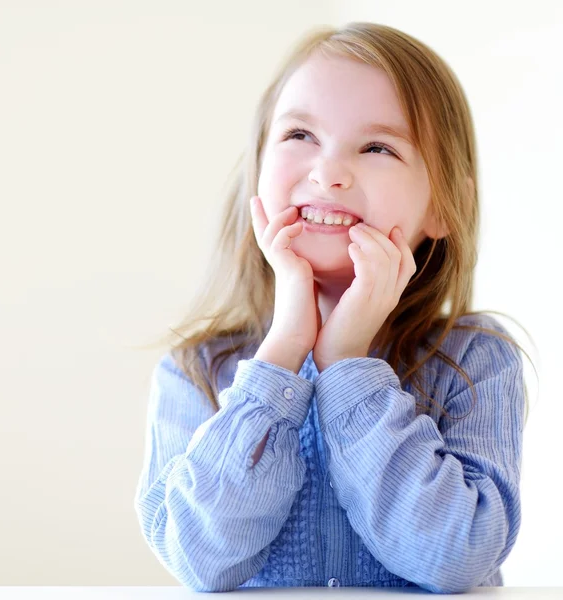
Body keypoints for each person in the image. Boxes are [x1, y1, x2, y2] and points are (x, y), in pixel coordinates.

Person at [133, 21, 534, 593]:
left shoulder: (477, 361)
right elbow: (199, 559)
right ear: (258, 170)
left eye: (377, 148)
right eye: (300, 135)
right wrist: (282, 354)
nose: (328, 173)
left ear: (447, 205)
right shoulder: (196, 369)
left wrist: (347, 361)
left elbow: (455, 555)